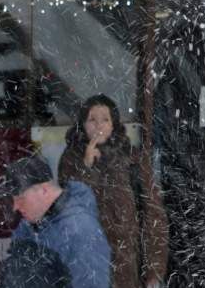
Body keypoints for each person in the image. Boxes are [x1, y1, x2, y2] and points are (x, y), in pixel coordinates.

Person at [58, 94, 169, 288]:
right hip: (85, 264)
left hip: (125, 265)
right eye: (92, 119)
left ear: (114, 124)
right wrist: (86, 168)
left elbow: (153, 216)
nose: (98, 125)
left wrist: (153, 269)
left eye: (105, 119)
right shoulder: (70, 161)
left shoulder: (132, 160)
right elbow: (69, 210)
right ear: (82, 124)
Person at [0, 155, 111, 288]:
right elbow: (19, 271)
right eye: (14, 200)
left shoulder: (81, 231)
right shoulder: (29, 224)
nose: (15, 207)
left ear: (44, 190)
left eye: (21, 199)